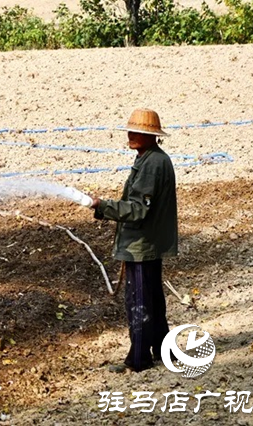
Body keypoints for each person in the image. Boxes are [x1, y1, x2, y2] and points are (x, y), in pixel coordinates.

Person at [90, 108, 178, 372]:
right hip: (149, 244)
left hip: (141, 246)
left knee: (139, 301)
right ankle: (165, 350)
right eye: (131, 130)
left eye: (139, 132)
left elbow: (138, 209)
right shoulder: (152, 158)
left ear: (152, 136)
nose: (132, 135)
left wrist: (102, 205)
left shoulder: (151, 165)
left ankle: (139, 358)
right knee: (153, 298)